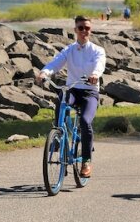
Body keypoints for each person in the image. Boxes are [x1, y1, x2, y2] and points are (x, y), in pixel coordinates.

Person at [36, 16, 106, 178]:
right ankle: (58, 137)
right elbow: (56, 63)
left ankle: (86, 160)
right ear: (75, 30)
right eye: (81, 28)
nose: (84, 31)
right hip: (73, 90)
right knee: (61, 101)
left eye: (87, 28)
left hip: (89, 91)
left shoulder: (97, 50)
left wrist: (95, 74)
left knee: (85, 121)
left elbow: (99, 64)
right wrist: (44, 72)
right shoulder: (69, 50)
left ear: (91, 30)